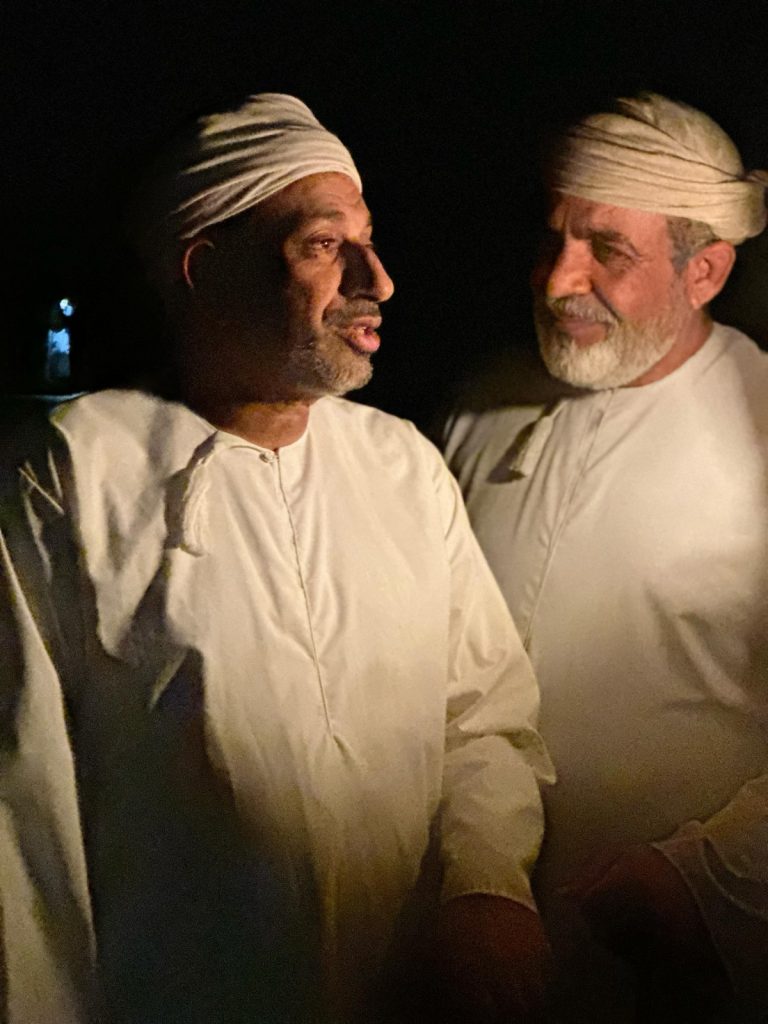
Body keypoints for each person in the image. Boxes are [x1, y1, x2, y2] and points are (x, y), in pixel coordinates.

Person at [0, 94, 554, 1024]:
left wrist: (488, 885)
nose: (378, 280)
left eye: (369, 242)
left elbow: (484, 716)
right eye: (324, 245)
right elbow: (24, 825)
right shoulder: (72, 475)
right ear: (203, 269)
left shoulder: (401, 467)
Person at [443, 92, 768, 1023]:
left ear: (705, 271)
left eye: (607, 251)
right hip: (470, 956)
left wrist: (702, 880)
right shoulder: (479, 409)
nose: (558, 280)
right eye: (554, 240)